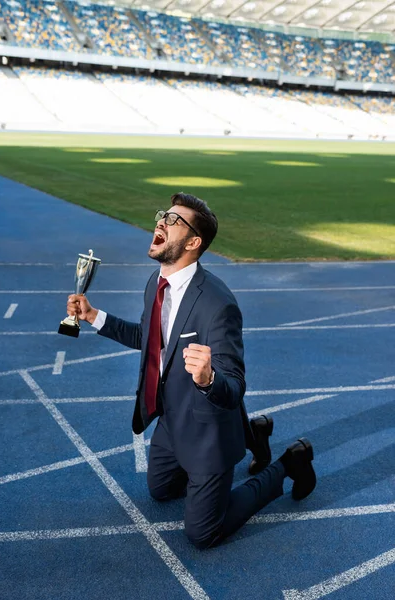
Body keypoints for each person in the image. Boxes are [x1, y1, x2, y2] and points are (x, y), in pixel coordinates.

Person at [66, 192, 316, 549]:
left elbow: (235, 385)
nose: (160, 223)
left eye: (172, 220)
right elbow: (150, 339)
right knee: (161, 490)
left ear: (194, 242)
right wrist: (93, 316)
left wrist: (208, 378)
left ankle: (289, 463)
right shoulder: (156, 282)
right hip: (171, 415)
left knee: (202, 534)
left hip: (206, 430)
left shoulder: (217, 303)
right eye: (162, 216)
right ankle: (253, 435)